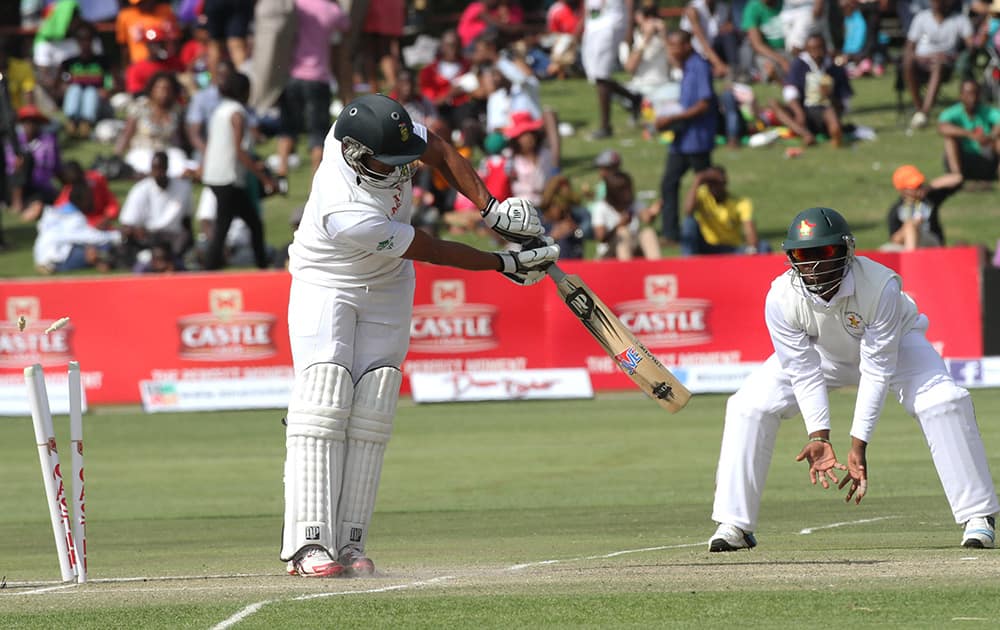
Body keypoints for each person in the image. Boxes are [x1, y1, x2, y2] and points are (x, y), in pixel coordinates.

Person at [281, 93, 557, 578]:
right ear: (354, 155)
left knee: (375, 399)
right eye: (388, 162)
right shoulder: (345, 209)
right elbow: (429, 248)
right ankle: (308, 545)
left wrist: (492, 208)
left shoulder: (386, 136)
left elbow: (444, 152)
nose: (399, 169)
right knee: (323, 398)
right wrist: (504, 263)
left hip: (389, 282)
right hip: (328, 281)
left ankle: (350, 544)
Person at [708, 206, 999, 553]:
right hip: (823, 355)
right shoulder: (780, 297)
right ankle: (735, 524)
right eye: (803, 255)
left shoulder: (880, 286)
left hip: (899, 347)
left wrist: (858, 444)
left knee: (944, 402)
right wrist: (819, 435)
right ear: (790, 258)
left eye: (824, 253)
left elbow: (877, 368)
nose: (814, 267)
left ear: (846, 250)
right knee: (748, 406)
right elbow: (802, 370)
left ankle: (979, 516)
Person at [201, 72, 275, 270]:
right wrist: (264, 178)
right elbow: (239, 150)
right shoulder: (236, 113)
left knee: (248, 222)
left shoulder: (219, 110)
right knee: (230, 225)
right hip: (228, 177)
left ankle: (259, 265)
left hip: (216, 176)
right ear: (243, 91)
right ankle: (210, 268)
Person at [655, 29, 717, 244]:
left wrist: (673, 118)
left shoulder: (699, 66)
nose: (671, 50)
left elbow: (704, 104)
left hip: (697, 139)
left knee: (707, 187)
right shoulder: (687, 67)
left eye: (675, 46)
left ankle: (712, 231)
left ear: (687, 46)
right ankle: (671, 233)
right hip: (682, 140)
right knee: (669, 183)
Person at [903, 0, 975, 130]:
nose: (937, 3)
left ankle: (924, 112)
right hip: (921, 61)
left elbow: (971, 47)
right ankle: (920, 107)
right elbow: (909, 49)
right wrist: (924, 57)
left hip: (946, 65)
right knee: (908, 62)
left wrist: (955, 56)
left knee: (938, 65)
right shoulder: (921, 18)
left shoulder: (960, 19)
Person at [771, 33, 852, 147]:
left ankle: (835, 137)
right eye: (813, 49)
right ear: (807, 50)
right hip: (804, 110)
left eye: (820, 49)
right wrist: (799, 112)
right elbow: (790, 91)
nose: (817, 53)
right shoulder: (799, 65)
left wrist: (829, 96)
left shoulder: (835, 68)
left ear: (825, 48)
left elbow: (845, 105)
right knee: (775, 104)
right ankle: (806, 135)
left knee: (830, 113)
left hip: (825, 111)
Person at [118, 150, 194, 261]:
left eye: (161, 168)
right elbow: (126, 224)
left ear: (167, 168)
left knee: (184, 238)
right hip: (149, 235)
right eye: (155, 169)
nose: (158, 173)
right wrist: (137, 231)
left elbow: (187, 220)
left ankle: (174, 258)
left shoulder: (183, 187)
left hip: (172, 235)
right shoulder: (140, 190)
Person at [581, 0, 640, 138]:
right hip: (593, 24)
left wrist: (630, 28)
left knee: (601, 75)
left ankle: (605, 127)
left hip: (611, 22)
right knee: (596, 76)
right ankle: (633, 98)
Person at [680, 166, 769, 255]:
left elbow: (749, 228)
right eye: (710, 183)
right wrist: (697, 180)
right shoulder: (703, 195)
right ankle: (688, 262)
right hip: (707, 246)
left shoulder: (740, 203)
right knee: (689, 222)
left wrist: (752, 249)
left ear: (724, 182)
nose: (713, 187)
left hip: (732, 249)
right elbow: (688, 211)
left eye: (716, 183)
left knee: (763, 246)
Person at [882, 163, 962, 251]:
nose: (920, 188)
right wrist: (911, 227)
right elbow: (894, 239)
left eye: (920, 184)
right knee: (884, 250)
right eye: (915, 187)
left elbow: (957, 179)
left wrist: (930, 186)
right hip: (906, 245)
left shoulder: (930, 198)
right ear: (903, 190)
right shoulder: (896, 209)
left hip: (932, 242)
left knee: (910, 226)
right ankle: (911, 256)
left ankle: (912, 261)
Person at [938, 79, 1000, 182]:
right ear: (961, 95)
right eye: (968, 94)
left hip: (985, 156)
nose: (972, 98)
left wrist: (991, 136)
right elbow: (942, 127)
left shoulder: (987, 111)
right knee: (949, 139)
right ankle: (956, 176)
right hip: (962, 158)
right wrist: (969, 134)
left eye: (975, 93)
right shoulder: (953, 112)